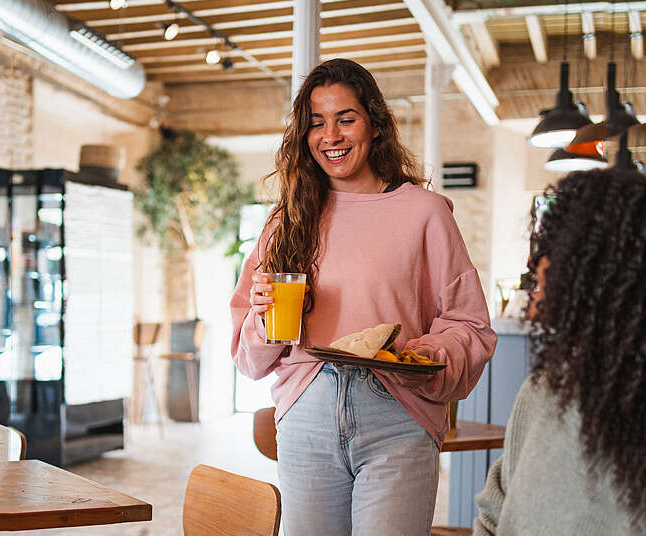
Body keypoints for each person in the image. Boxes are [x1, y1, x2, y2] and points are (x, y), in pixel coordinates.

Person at [230, 58, 497, 536]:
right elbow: (250, 360)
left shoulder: (425, 213)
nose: (330, 135)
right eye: (316, 122)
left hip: (398, 413)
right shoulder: (284, 220)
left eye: (345, 119)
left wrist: (426, 353)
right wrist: (265, 317)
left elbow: (471, 326)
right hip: (306, 412)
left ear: (374, 124)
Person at [474, 167, 646, 535]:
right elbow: (493, 511)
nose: (532, 263)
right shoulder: (545, 387)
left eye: (551, 246)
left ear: (601, 266)